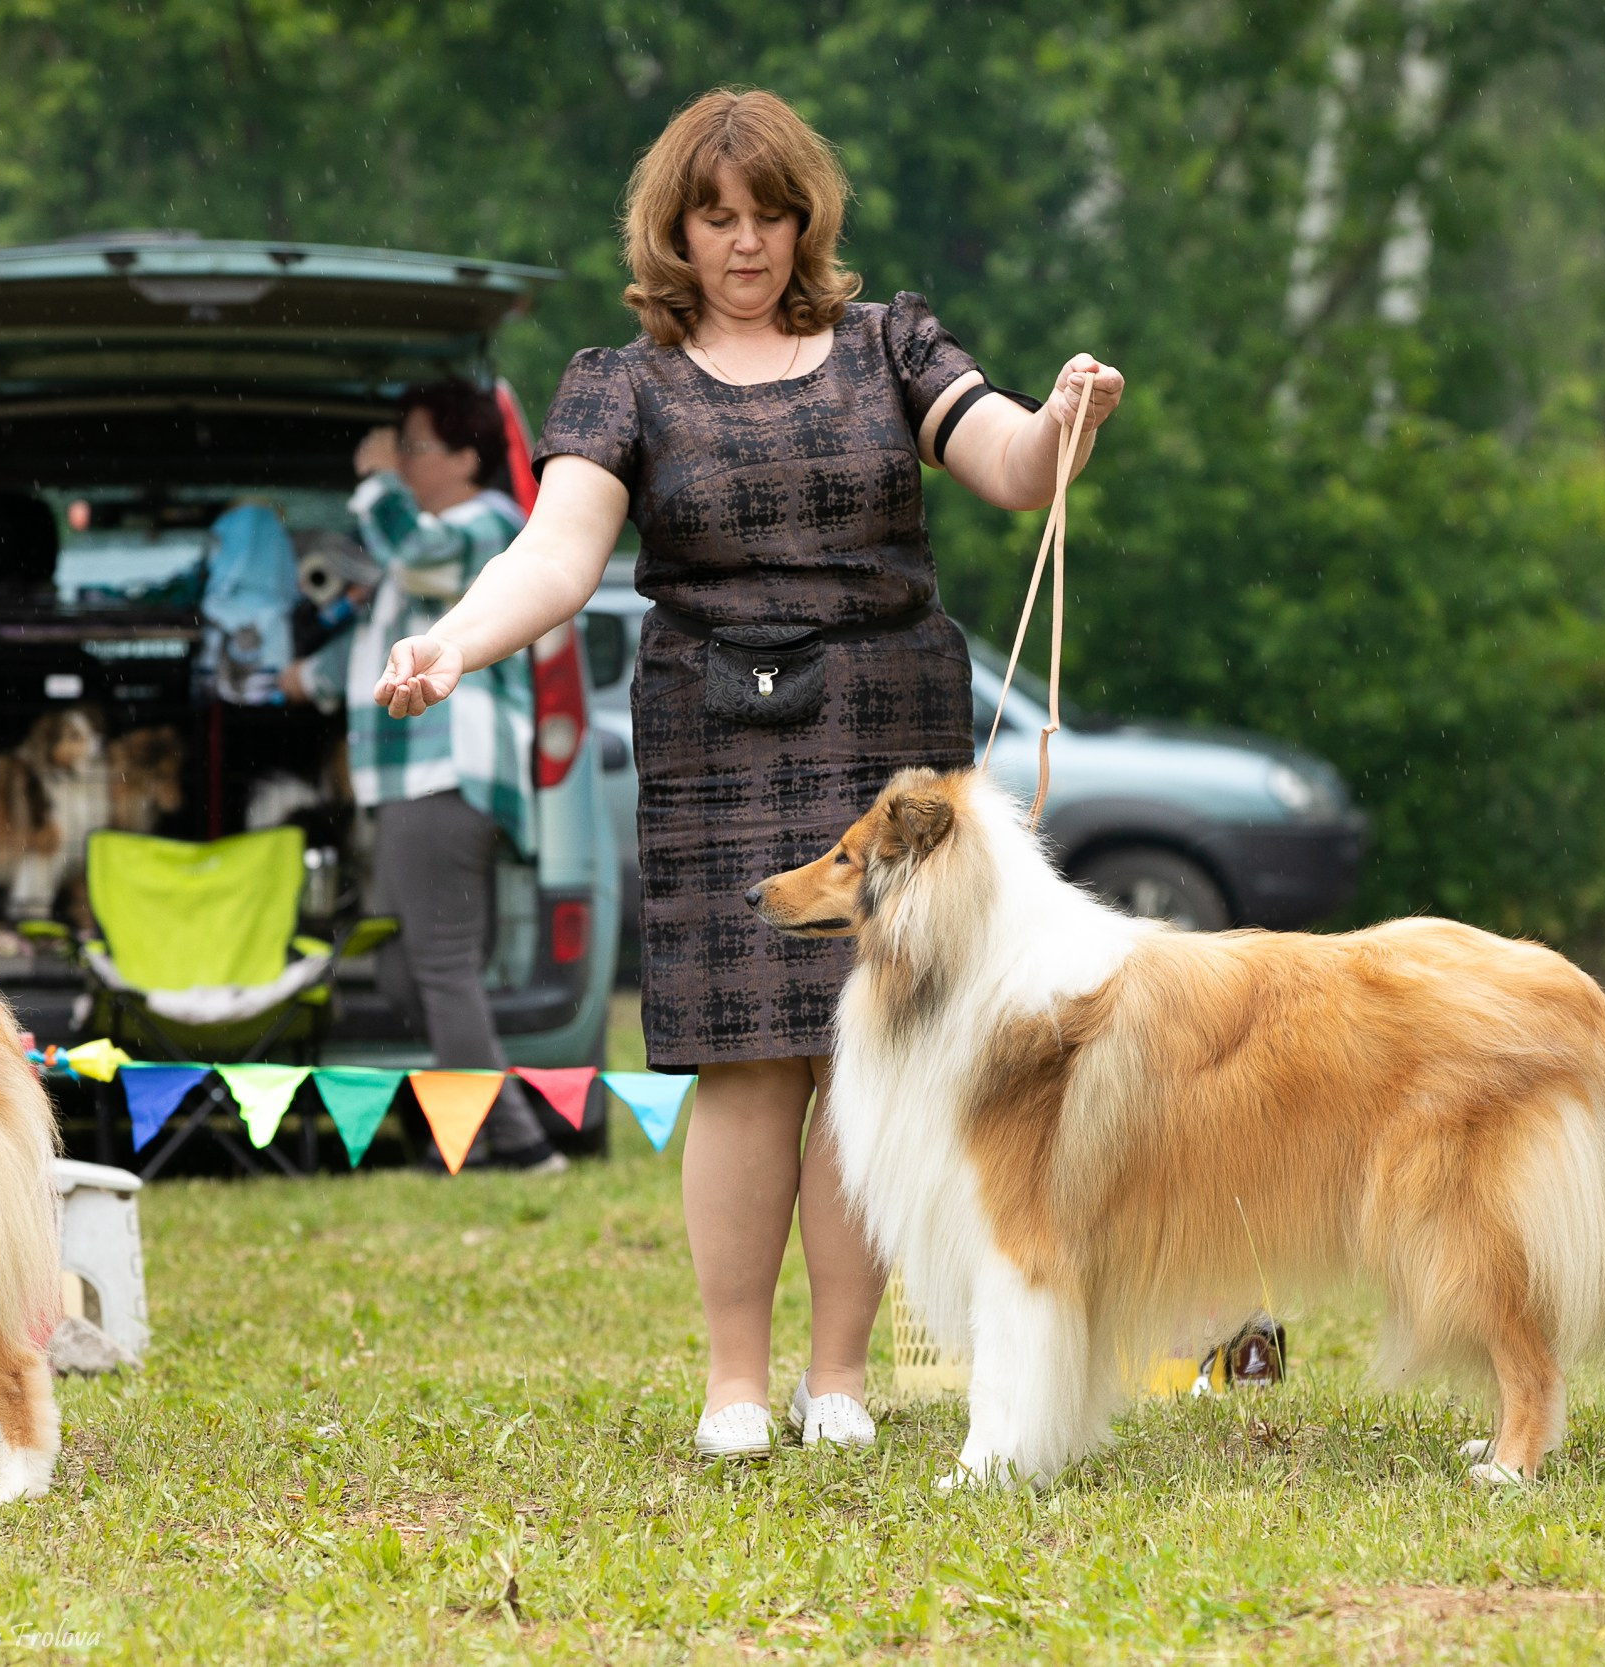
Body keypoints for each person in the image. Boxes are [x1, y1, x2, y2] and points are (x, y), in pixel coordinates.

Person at [369, 87, 1123, 1456]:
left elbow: (1009, 463)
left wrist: (1066, 416)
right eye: (716, 217)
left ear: (804, 218)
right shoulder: (622, 380)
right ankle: (737, 1383)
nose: (746, 241)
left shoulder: (890, 342)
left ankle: (841, 1376)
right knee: (744, 1063)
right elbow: (557, 555)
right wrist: (451, 641)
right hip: (713, 729)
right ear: (674, 228)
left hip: (884, 732)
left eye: (770, 213)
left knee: (869, 1057)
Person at [283, 382, 567, 1175]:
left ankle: (511, 1142)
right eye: (398, 448)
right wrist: (295, 675)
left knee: (436, 965)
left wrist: (373, 480)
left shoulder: (490, 525)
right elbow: (381, 636)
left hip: (447, 772)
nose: (401, 461)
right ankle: (488, 1123)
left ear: (467, 457)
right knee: (411, 967)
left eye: (414, 446)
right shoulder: (438, 541)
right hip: (413, 778)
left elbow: (416, 557)